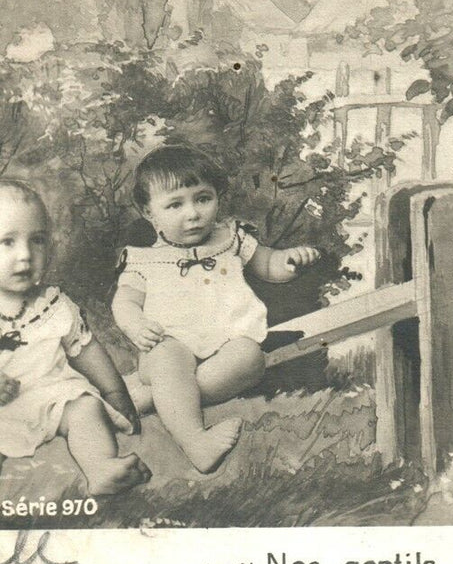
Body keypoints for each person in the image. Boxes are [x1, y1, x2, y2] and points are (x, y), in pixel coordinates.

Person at [0, 180, 148, 525]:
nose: (26, 255)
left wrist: (114, 391)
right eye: (7, 242)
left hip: (52, 395)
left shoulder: (55, 303)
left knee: (86, 408)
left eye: (38, 240)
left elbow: (85, 348)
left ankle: (100, 468)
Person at [113, 145, 321, 473]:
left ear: (217, 198)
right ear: (149, 212)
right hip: (168, 348)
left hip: (227, 348)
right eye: (175, 204)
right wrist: (136, 325)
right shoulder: (145, 259)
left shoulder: (230, 239)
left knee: (251, 356)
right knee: (170, 358)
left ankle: (159, 399)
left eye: (203, 198)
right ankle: (196, 441)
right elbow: (124, 302)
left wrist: (290, 261)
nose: (193, 213)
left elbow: (268, 265)